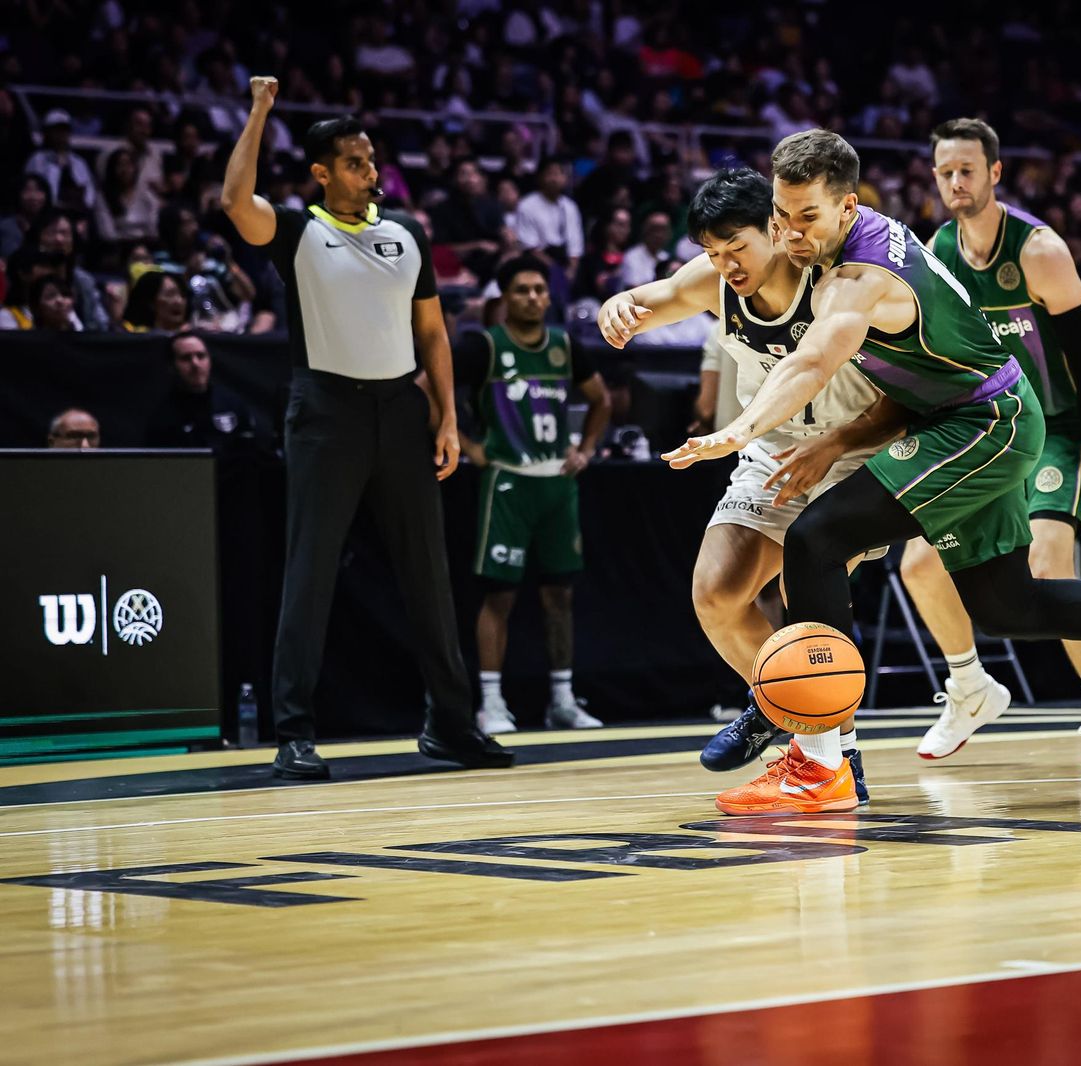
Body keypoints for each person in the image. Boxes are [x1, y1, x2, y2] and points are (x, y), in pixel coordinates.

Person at [664, 130, 1081, 814]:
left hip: (980, 422)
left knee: (817, 539)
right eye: (781, 218)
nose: (790, 235)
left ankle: (823, 767)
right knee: (1007, 605)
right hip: (964, 417)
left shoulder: (860, 278)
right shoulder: (852, 241)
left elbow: (812, 363)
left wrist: (735, 431)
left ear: (847, 207)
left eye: (806, 218)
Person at [222, 75, 510, 780]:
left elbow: (434, 335)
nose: (371, 170)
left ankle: (449, 723)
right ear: (321, 173)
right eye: (355, 162)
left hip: (400, 411)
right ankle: (293, 731)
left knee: (429, 575)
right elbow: (234, 201)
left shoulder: (406, 234)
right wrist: (260, 111)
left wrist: (447, 417)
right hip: (325, 411)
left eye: (372, 159)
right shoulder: (299, 229)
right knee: (310, 570)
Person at [600, 168, 903, 804]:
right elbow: (653, 297)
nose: (726, 265)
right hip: (772, 447)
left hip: (853, 450)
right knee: (716, 594)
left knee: (806, 586)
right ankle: (791, 705)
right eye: (712, 253)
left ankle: (825, 756)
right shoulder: (716, 282)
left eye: (736, 247)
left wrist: (835, 443)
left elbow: (908, 399)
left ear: (774, 226)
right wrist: (617, 305)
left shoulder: (836, 283)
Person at [895, 117, 1081, 775]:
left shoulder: (1038, 250)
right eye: (944, 172)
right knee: (918, 564)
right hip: (984, 432)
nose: (954, 183)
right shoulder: (936, 252)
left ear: (995, 173)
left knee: (1050, 564)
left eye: (966, 170)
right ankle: (970, 686)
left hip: (1054, 429)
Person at [454, 256, 611, 734]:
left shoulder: (564, 345)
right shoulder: (483, 345)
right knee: (499, 596)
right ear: (504, 298)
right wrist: (468, 446)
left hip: (556, 483)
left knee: (559, 594)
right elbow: (432, 389)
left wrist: (585, 448)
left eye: (540, 289)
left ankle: (562, 699)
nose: (533, 298)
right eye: (522, 290)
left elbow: (601, 400)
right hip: (506, 481)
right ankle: (491, 703)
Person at [145, 330, 266, 451]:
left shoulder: (232, 405)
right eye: (186, 358)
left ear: (209, 361)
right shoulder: (163, 417)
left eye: (201, 356)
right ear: (171, 366)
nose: (195, 364)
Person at [121, 268, 190, 332]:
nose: (179, 301)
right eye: (170, 295)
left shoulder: (192, 336)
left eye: (182, 295)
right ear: (150, 302)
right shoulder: (132, 335)